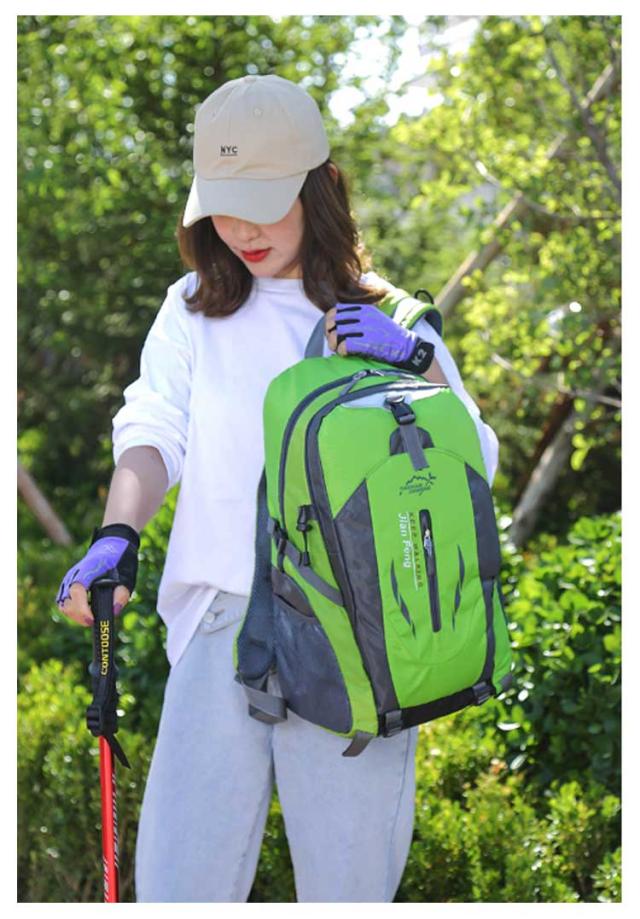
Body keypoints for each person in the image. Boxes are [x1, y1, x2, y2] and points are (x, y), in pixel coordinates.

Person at [56, 73, 499, 903]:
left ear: (318, 187)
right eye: (224, 207)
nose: (242, 231)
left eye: (263, 204)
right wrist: (117, 535)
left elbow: (477, 461)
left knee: (346, 893)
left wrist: (416, 363)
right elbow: (153, 429)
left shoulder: (390, 318)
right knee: (177, 889)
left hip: (358, 642)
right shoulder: (193, 308)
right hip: (221, 626)